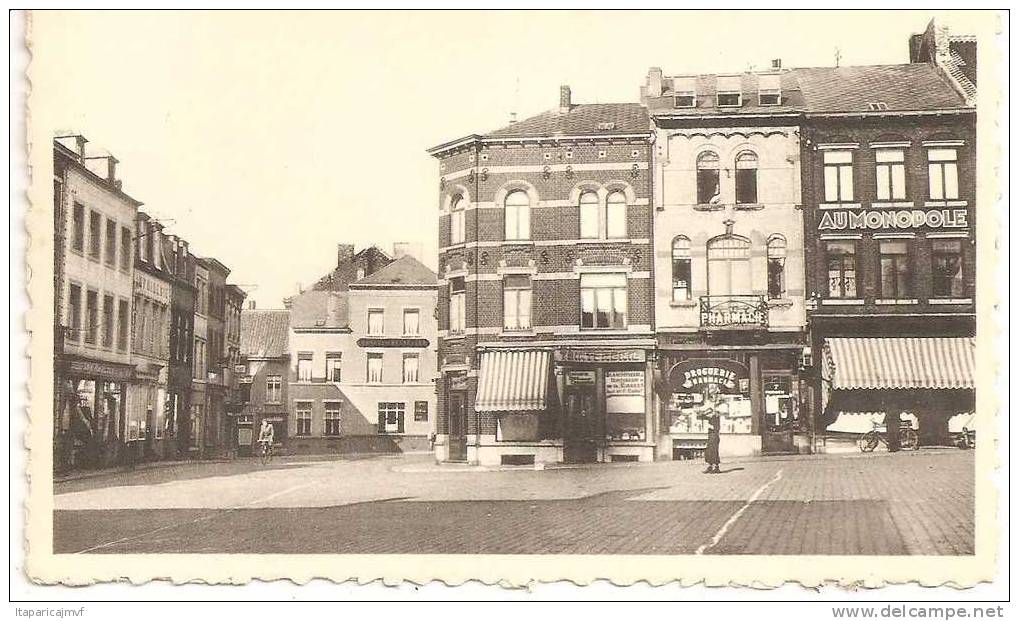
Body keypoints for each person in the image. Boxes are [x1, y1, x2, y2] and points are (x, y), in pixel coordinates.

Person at [697, 383, 722, 474]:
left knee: (714, 446)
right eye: (710, 388)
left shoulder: (720, 401)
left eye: (713, 388)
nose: (711, 391)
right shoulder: (709, 401)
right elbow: (705, 408)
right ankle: (710, 465)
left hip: (715, 428)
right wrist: (700, 410)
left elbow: (720, 412)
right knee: (709, 447)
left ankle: (716, 466)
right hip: (710, 427)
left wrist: (714, 412)